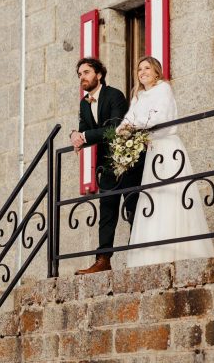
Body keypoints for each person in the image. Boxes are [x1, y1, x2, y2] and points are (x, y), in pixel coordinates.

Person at [117, 56, 214, 267]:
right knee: (153, 200)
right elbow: (128, 119)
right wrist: (122, 129)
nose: (142, 72)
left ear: (156, 72)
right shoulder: (138, 96)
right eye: (139, 69)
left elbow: (160, 118)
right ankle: (154, 252)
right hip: (152, 151)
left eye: (147, 68)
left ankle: (179, 250)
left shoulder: (163, 89)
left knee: (171, 196)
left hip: (167, 148)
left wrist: (133, 126)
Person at [70, 57, 144, 274]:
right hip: (106, 165)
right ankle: (103, 260)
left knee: (133, 208)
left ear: (98, 75)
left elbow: (114, 128)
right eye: (79, 74)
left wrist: (83, 136)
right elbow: (84, 129)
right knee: (107, 211)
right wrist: (75, 135)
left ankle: (138, 255)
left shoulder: (115, 95)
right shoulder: (84, 103)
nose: (82, 77)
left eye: (86, 72)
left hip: (128, 160)